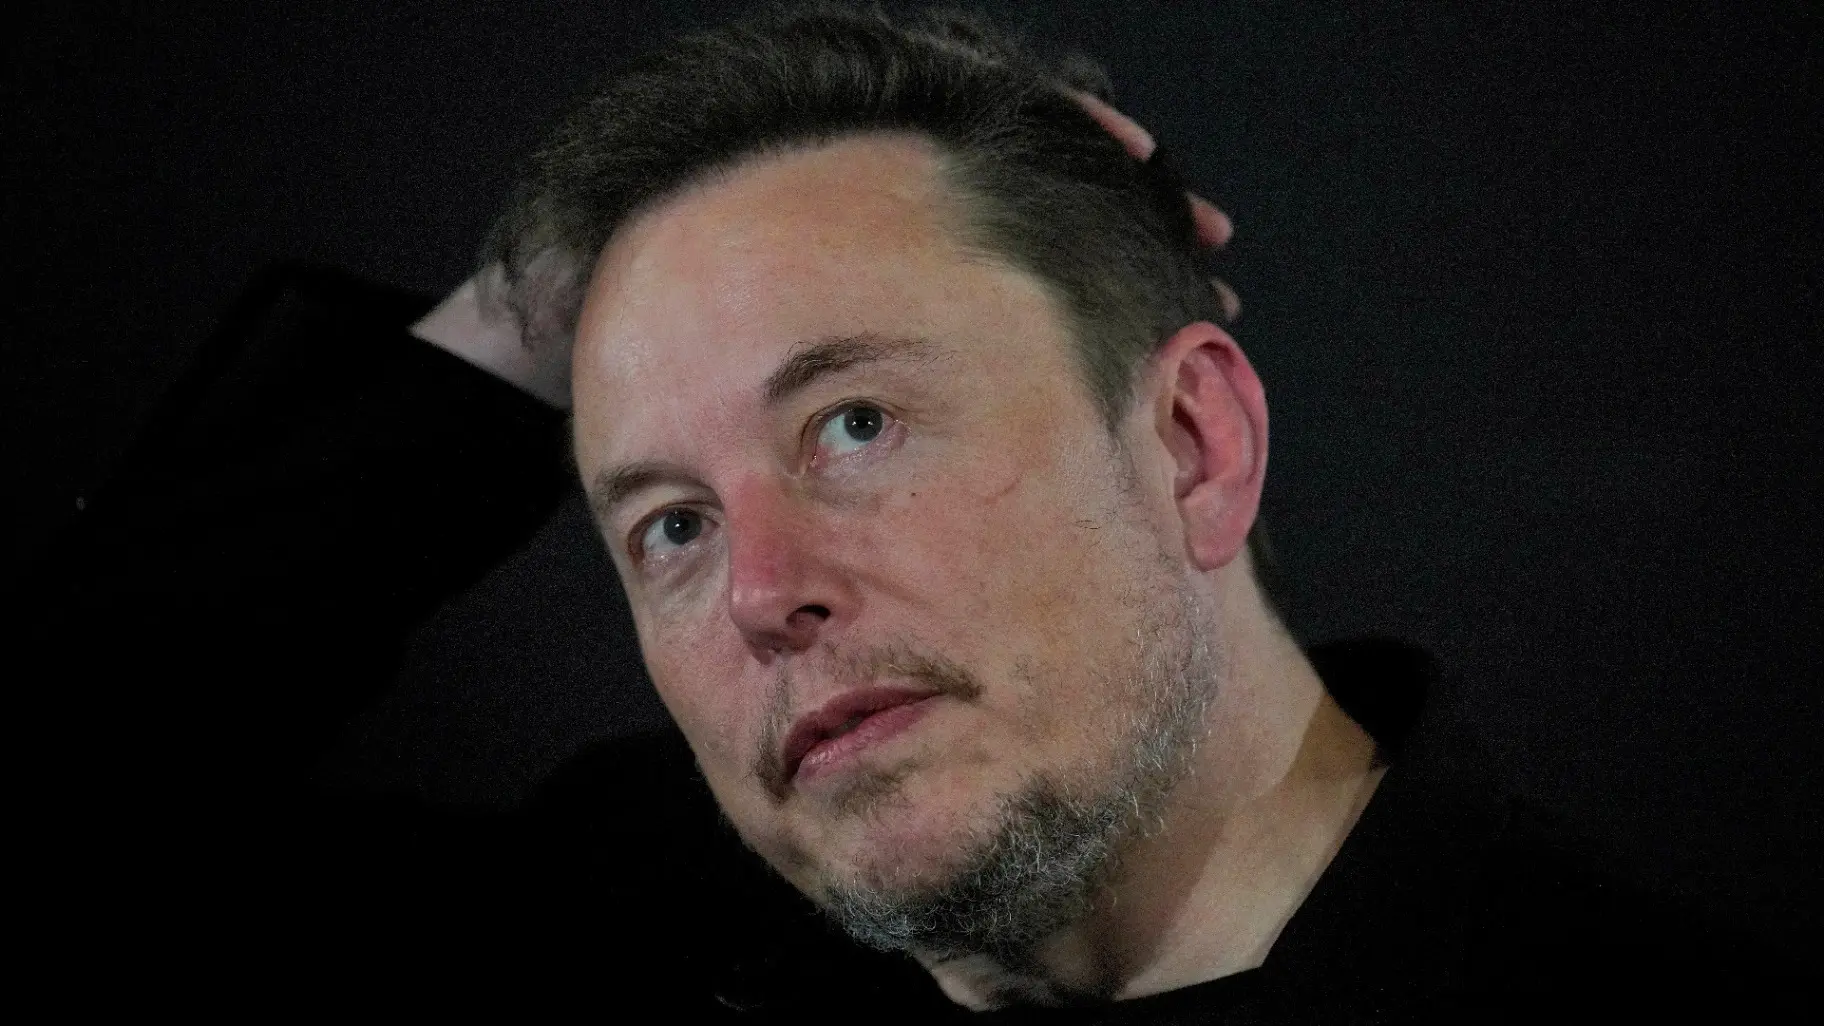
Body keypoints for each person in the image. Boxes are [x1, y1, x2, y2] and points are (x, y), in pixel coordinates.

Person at [28, 3, 1796, 1019]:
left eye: (854, 423)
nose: (760, 592)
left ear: (1193, 444)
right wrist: (534, 311)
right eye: (669, 523)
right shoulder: (636, 922)